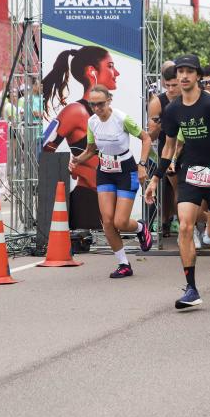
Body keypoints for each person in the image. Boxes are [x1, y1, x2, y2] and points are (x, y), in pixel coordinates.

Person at [145, 54, 210, 310]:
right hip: (191, 172)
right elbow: (168, 148)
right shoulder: (172, 110)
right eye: (179, 71)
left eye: (188, 71)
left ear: (197, 76)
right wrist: (155, 178)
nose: (183, 76)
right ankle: (191, 288)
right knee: (185, 226)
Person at [69, 85, 153, 277]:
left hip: (126, 170)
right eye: (92, 105)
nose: (97, 108)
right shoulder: (92, 122)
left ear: (109, 101)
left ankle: (140, 228)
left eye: (100, 104)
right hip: (105, 171)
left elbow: (146, 138)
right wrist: (76, 160)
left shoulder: (121, 118)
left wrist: (142, 164)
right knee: (107, 221)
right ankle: (124, 264)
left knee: (121, 222)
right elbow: (91, 150)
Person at [42, 46, 120, 229]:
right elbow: (45, 146)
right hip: (88, 200)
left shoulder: (113, 114)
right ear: (91, 71)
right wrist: (74, 166)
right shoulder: (75, 111)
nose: (116, 72)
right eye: (110, 66)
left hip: (111, 198)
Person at [147, 61, 181, 237]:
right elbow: (150, 136)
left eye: (174, 85)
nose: (171, 89)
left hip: (189, 147)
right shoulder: (158, 102)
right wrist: (160, 123)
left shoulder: (191, 97)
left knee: (181, 188)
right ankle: (170, 221)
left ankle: (182, 221)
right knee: (170, 188)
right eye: (167, 86)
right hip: (167, 147)